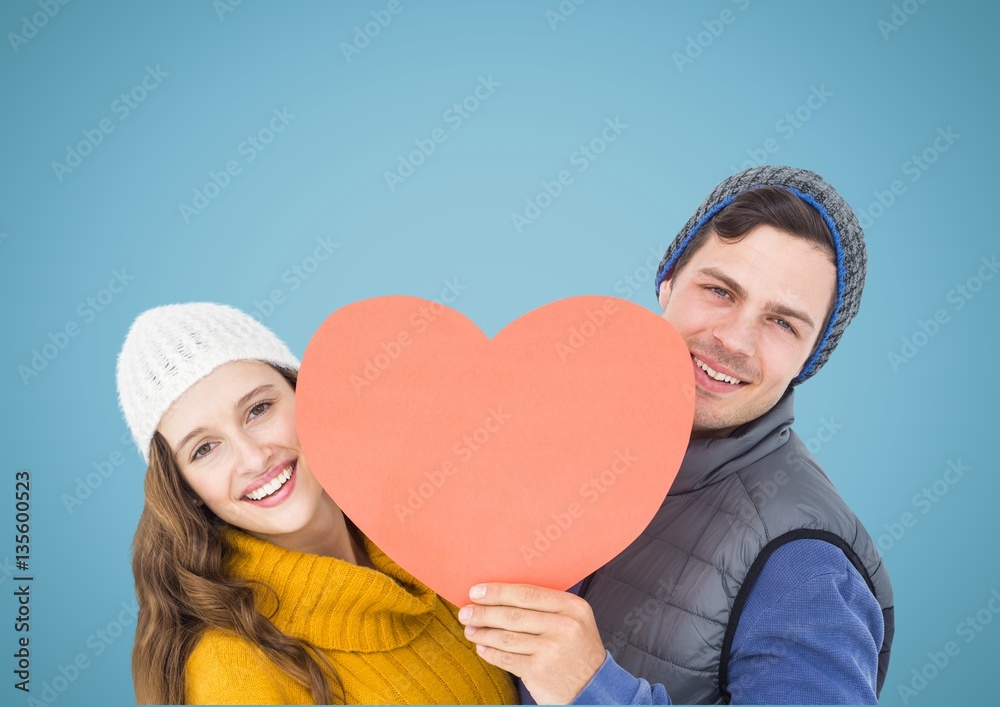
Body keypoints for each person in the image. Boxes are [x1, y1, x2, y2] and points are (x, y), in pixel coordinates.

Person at [458, 166, 894, 704]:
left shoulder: (805, 564)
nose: (733, 339)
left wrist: (593, 689)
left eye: (783, 323)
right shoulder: (545, 435)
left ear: (810, 360)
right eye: (719, 291)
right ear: (667, 282)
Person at [117, 303, 517, 705]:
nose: (254, 458)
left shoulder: (441, 542)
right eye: (205, 449)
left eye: (259, 409)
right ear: (185, 489)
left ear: (304, 394)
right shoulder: (232, 672)